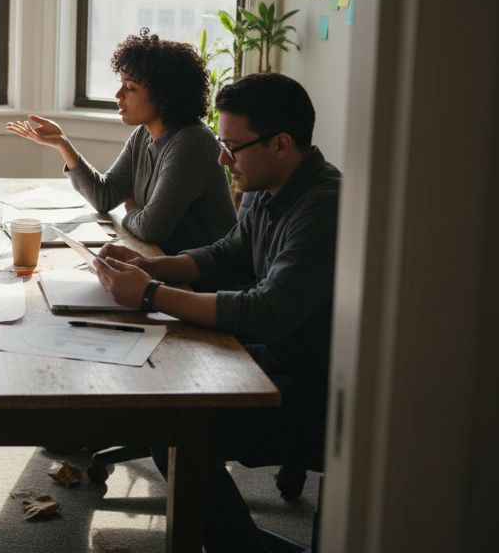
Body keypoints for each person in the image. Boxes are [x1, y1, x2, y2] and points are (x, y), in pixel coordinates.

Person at [91, 73, 340, 552]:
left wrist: (151, 294)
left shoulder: (323, 207)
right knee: (165, 388)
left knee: (179, 429)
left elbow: (267, 311)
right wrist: (149, 266)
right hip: (278, 355)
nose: (223, 158)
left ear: (281, 144)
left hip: (318, 385)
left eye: (232, 147)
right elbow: (228, 254)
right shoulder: (267, 187)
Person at [5, 29, 236, 254]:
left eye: (130, 88)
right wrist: (62, 143)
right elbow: (104, 197)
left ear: (164, 95)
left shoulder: (192, 143)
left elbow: (150, 230)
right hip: (163, 263)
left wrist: (131, 209)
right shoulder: (143, 135)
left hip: (203, 277)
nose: (118, 95)